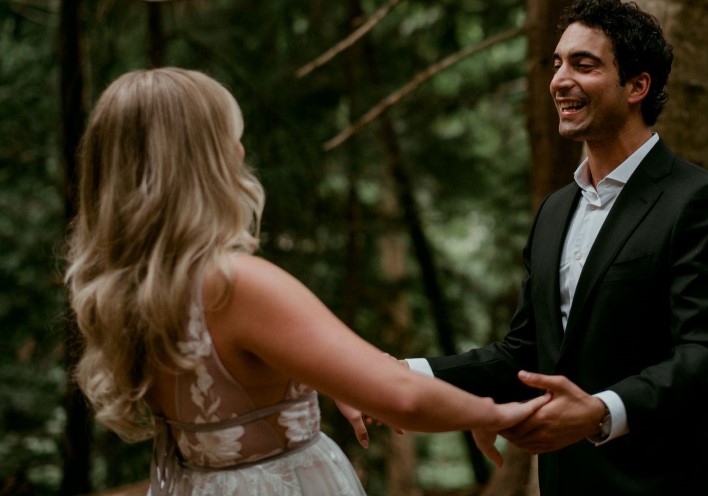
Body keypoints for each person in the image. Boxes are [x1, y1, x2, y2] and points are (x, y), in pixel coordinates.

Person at [64, 68, 548, 496]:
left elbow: (233, 389)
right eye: (230, 137)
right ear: (203, 160)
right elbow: (401, 396)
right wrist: (496, 414)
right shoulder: (237, 283)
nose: (241, 150)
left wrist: (320, 376)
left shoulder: (124, 289)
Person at [406, 0, 708, 495]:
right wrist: (404, 374)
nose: (560, 80)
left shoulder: (703, 203)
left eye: (584, 64)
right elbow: (522, 354)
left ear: (637, 86)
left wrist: (600, 411)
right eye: (557, 64)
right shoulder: (554, 211)